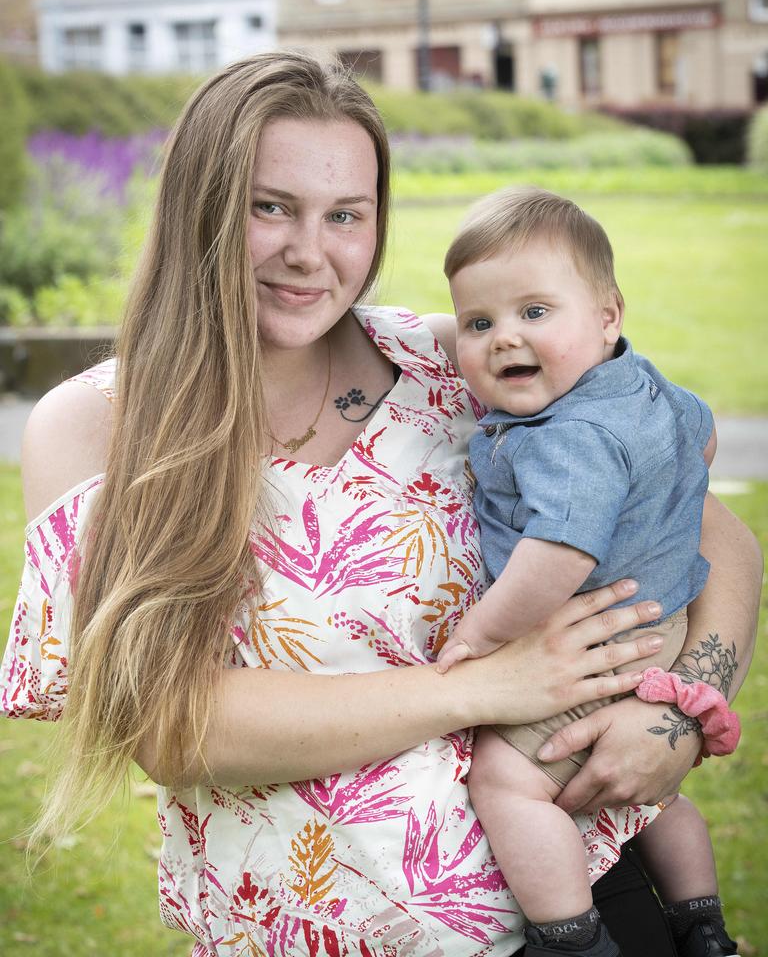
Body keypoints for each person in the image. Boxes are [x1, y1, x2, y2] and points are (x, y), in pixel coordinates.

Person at [0, 54, 761, 957]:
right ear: (198, 206)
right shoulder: (101, 426)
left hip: (585, 905)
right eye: (268, 206)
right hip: (310, 931)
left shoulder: (461, 363)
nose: (308, 252)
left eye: (345, 215)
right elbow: (173, 726)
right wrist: (478, 685)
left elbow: (718, 538)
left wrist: (679, 717)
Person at [438, 186, 742, 957]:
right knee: (647, 790)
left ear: (609, 316)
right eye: (480, 322)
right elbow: (699, 441)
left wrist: (480, 631)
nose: (505, 338)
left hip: (593, 632)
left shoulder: (566, 438)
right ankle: (699, 920)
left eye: (535, 312)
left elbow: (557, 558)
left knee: (509, 782)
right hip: (660, 619)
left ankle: (569, 933)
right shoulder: (641, 385)